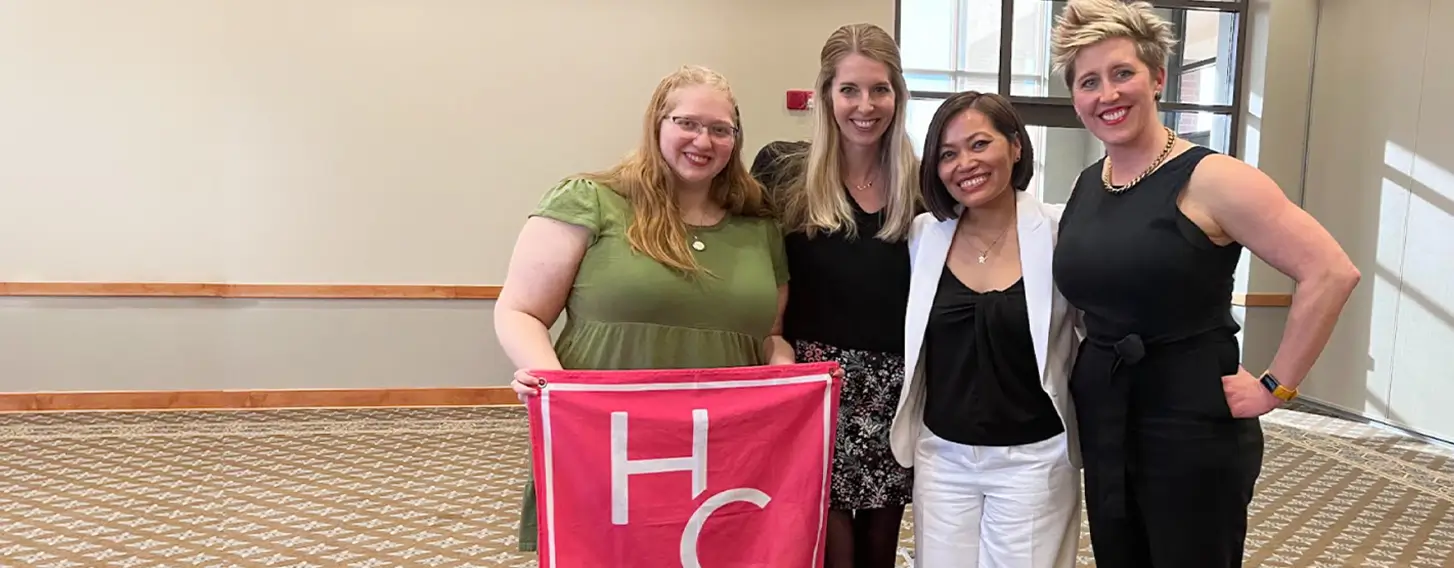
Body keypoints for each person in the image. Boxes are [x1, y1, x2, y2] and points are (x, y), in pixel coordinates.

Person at [1047, 1, 1361, 566]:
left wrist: (1276, 385)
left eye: (1123, 73)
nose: (1107, 95)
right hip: (1107, 411)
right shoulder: (1090, 183)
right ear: (1076, 98)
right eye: (1089, 82)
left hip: (1189, 416)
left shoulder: (1213, 178)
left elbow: (1331, 271)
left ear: (1158, 76)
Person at [494, 64, 797, 554]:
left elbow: (769, 335)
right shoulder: (591, 200)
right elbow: (520, 310)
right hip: (605, 442)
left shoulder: (758, 226)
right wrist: (552, 383)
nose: (704, 140)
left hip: (720, 452)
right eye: (688, 123)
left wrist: (785, 372)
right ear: (658, 122)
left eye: (721, 129)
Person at [749, 22, 920, 568]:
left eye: (879, 89)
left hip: (893, 391)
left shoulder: (921, 186)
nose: (865, 105)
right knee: (824, 547)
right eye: (849, 89)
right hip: (812, 388)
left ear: (898, 94)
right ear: (825, 95)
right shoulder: (783, 170)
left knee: (878, 549)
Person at [887, 91, 1082, 568]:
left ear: (1015, 147)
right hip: (943, 455)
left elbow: (1098, 329)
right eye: (948, 154)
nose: (964, 163)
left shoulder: (1060, 233)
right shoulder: (922, 236)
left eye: (979, 144)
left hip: (1033, 458)